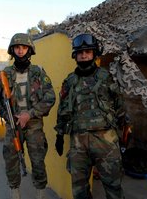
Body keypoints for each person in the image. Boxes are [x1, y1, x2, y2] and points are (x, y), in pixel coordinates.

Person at [54, 33, 126, 199]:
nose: (84, 55)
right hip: (78, 142)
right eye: (80, 52)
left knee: (113, 186)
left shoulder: (106, 77)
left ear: (94, 53)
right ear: (75, 56)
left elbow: (119, 105)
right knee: (79, 189)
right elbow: (63, 109)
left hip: (105, 140)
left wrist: (123, 134)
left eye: (88, 51)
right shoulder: (70, 81)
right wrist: (59, 134)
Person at [0, 33, 56, 199]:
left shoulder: (38, 72)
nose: (20, 51)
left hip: (34, 125)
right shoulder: (5, 74)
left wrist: (30, 114)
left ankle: (40, 192)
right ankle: (14, 190)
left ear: (29, 50)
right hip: (13, 125)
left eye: (24, 47)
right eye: (17, 48)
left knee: (38, 161)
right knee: (11, 161)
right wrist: (6, 114)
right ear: (12, 50)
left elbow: (50, 97)